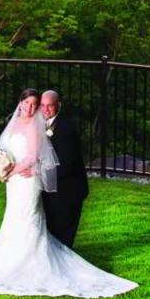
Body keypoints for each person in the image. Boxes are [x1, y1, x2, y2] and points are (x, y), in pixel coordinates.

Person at [0, 88, 138, 298]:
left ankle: (34, 263)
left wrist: (11, 171)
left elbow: (35, 158)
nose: (37, 108)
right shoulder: (21, 123)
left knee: (29, 218)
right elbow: (9, 151)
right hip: (14, 181)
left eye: (39, 104)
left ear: (58, 105)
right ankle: (9, 259)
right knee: (13, 218)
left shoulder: (49, 126)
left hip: (32, 180)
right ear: (20, 103)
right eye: (34, 104)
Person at [39, 89, 88, 248]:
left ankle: (63, 263)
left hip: (67, 189)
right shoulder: (38, 123)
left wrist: (38, 174)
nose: (46, 109)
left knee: (62, 236)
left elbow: (67, 164)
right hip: (51, 187)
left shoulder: (67, 129)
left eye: (50, 106)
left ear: (58, 105)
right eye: (43, 105)